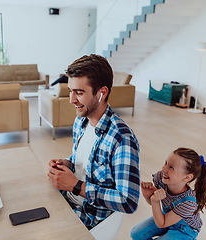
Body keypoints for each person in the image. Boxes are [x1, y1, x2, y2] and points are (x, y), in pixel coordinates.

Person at [47, 54, 140, 229]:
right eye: (70, 91)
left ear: (101, 93)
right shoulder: (81, 122)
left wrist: (76, 186)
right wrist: (66, 163)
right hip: (68, 199)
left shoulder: (122, 139)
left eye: (79, 93)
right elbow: (83, 160)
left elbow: (129, 202)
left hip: (89, 219)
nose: (71, 100)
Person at [130, 147, 206, 240]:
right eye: (166, 163)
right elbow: (154, 207)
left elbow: (162, 223)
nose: (164, 169)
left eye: (171, 167)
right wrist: (148, 195)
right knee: (136, 234)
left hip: (184, 230)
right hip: (165, 217)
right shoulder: (161, 178)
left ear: (187, 177)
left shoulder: (188, 203)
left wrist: (155, 201)